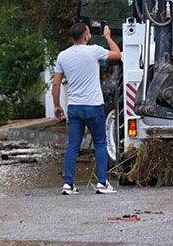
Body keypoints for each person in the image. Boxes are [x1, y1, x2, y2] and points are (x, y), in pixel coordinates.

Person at [52, 22, 122, 194]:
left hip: (74, 107)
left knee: (73, 146)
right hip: (94, 106)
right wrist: (107, 36)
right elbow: (118, 54)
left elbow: (56, 84)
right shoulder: (94, 50)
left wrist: (56, 105)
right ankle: (102, 183)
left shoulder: (62, 56)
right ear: (86, 36)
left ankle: (68, 184)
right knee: (100, 143)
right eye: (89, 32)